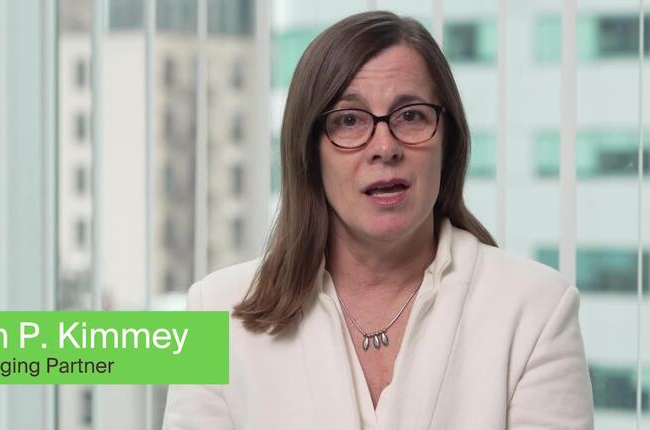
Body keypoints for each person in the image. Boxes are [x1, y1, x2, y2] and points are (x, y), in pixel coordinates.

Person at [163, 11, 594, 430]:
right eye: (349, 121)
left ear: (448, 140)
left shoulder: (537, 309)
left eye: (411, 116)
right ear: (309, 151)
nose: (384, 147)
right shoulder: (210, 312)